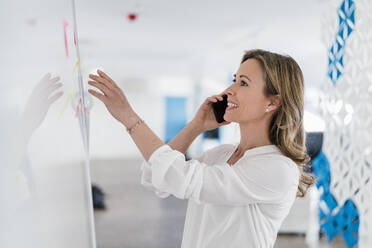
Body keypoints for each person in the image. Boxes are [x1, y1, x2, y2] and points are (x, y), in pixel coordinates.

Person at [88, 49, 315, 248]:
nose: (229, 90)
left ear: (272, 103)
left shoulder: (277, 168)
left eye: (243, 83)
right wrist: (197, 126)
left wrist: (128, 117)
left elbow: (179, 177)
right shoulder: (221, 155)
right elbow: (154, 176)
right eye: (234, 80)